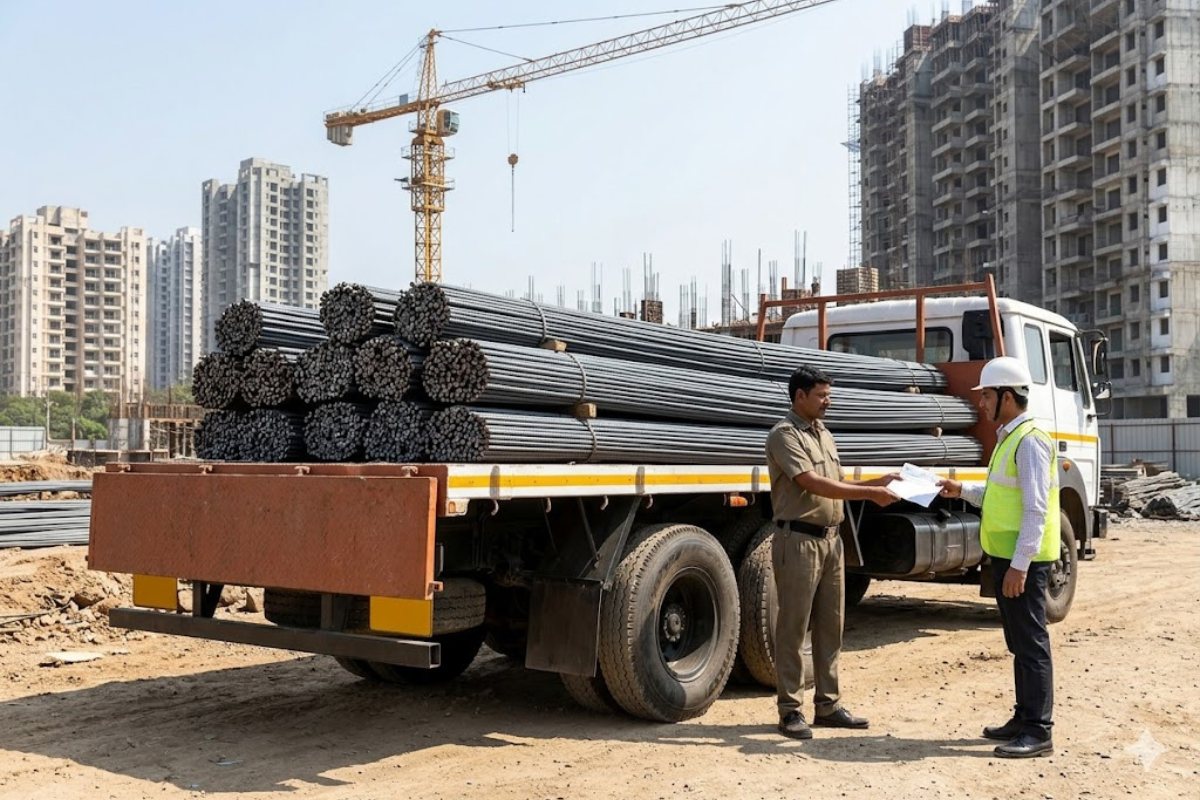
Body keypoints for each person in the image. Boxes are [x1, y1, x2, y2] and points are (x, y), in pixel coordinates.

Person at [766, 364, 900, 739]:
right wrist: (871, 494)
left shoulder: (823, 433)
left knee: (831, 626)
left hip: (831, 541)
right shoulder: (784, 434)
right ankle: (790, 710)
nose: (829, 402)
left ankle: (828, 704)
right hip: (799, 541)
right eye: (822, 396)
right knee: (794, 627)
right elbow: (811, 483)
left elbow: (836, 481)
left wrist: (879, 481)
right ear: (800, 396)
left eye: (829, 395)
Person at [937, 356, 1059, 759]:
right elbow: (1000, 496)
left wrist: (1020, 566)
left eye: (987, 395)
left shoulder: (1030, 440)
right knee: (1018, 642)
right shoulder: (1011, 437)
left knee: (1031, 643)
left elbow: (1035, 509)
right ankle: (1024, 717)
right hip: (1007, 556)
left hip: (1024, 561)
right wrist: (962, 491)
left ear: (1007, 396)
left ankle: (1039, 731)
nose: (981, 403)